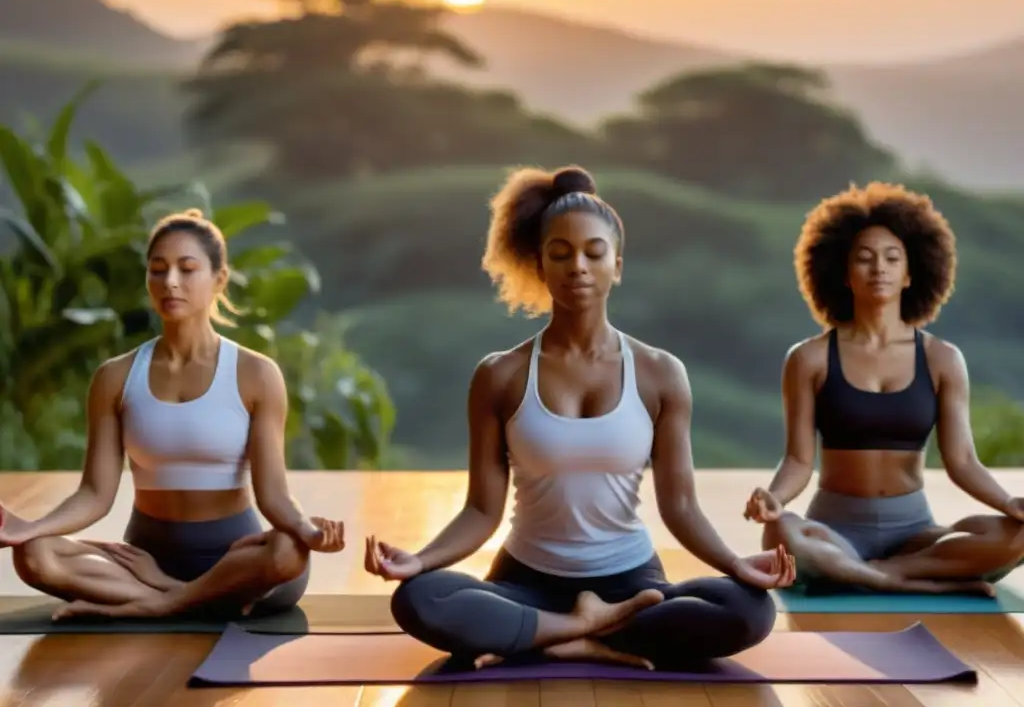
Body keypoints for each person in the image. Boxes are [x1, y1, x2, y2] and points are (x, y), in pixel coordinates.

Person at [364, 165, 795, 672]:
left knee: (748, 610)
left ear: (617, 264)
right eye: (560, 254)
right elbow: (482, 509)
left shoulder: (660, 374)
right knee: (419, 598)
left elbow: (680, 506)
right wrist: (420, 560)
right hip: (525, 581)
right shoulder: (500, 375)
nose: (578, 267)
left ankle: (546, 637)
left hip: (631, 581)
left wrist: (736, 563)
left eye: (594, 253)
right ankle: (593, 631)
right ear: (540, 265)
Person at [0, 208, 345, 621]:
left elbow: (273, 495)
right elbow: (95, 494)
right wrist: (30, 529)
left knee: (288, 551)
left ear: (219, 279)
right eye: (158, 270)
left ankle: (162, 602)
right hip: (147, 562)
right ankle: (183, 597)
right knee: (35, 556)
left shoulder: (256, 374)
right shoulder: (115, 377)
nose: (171, 282)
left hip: (236, 562)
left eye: (187, 268)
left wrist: (308, 530)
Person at [745, 182, 1024, 594]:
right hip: (834, 530)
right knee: (782, 535)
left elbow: (963, 461)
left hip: (914, 534)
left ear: (912, 274)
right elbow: (798, 460)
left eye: (892, 258)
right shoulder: (809, 358)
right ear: (843, 273)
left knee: (1016, 535)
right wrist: (775, 499)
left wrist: (1009, 504)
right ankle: (917, 583)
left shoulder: (942, 359)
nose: (879, 268)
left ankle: (877, 575)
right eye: (864, 258)